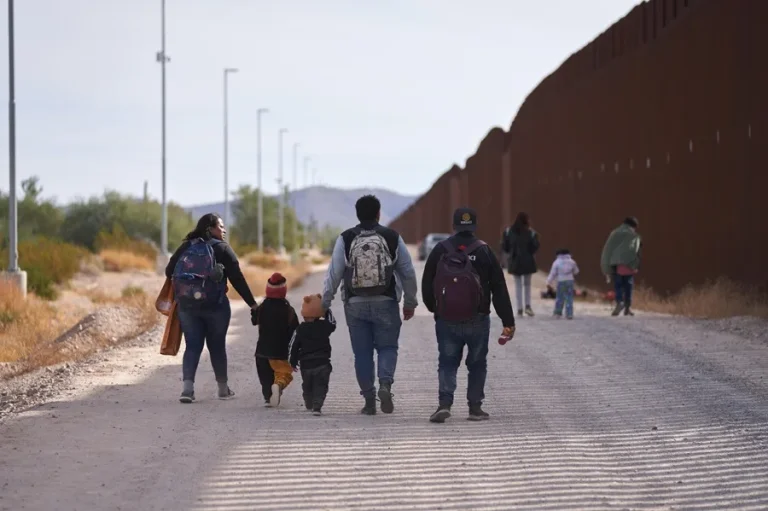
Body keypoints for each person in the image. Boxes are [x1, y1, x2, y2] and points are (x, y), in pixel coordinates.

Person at [322, 194, 418, 416]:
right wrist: (410, 302)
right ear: (378, 213)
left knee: (362, 353)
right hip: (386, 302)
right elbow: (408, 272)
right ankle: (385, 384)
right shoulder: (392, 237)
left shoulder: (345, 238)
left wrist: (325, 302)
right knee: (387, 347)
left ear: (357, 214)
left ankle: (369, 401)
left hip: (355, 305)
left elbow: (334, 274)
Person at [422, 207, 516, 423]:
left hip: (447, 318)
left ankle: (445, 403)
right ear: (474, 226)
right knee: (477, 363)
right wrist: (508, 321)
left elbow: (427, 283)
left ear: (454, 225)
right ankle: (475, 408)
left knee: (447, 361)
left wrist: (434, 308)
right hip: (478, 317)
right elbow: (499, 288)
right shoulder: (484, 251)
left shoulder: (440, 249)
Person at [166, 213, 257, 403]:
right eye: (220, 226)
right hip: (216, 306)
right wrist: (253, 304)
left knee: (192, 346)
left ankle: (187, 390)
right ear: (210, 228)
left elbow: (169, 271)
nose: (224, 230)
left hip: (187, 306)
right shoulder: (222, 249)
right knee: (216, 346)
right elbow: (237, 279)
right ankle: (223, 390)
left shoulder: (187, 246)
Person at [251, 273, 299, 408]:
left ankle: (268, 397)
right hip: (280, 352)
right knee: (283, 374)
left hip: (261, 352)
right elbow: (295, 331)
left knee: (265, 378)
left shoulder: (262, 308)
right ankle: (278, 386)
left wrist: (253, 312)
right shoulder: (288, 310)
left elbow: (254, 321)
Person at [289, 293, 337, 416]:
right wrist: (325, 309)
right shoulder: (324, 326)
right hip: (323, 363)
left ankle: (308, 400)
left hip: (306, 364)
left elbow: (293, 346)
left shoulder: (300, 329)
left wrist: (292, 362)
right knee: (321, 385)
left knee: (307, 385)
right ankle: (317, 406)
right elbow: (333, 322)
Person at [601, 217, 642, 317]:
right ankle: (627, 308)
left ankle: (620, 302)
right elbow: (636, 251)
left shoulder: (614, 233)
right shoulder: (634, 236)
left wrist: (606, 269)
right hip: (629, 267)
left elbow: (607, 251)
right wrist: (636, 265)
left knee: (618, 286)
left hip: (616, 266)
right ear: (633, 226)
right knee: (628, 287)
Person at [503, 212, 540, 317]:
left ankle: (519, 308)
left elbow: (505, 247)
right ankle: (528, 306)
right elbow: (535, 247)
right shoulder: (531, 232)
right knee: (527, 284)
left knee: (518, 285)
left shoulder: (509, 231)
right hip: (528, 261)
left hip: (515, 261)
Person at [546, 249, 580, 320]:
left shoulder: (556, 262)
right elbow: (576, 271)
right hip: (570, 281)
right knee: (569, 297)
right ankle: (569, 314)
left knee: (559, 297)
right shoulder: (572, 262)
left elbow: (553, 273)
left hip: (561, 281)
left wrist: (548, 282)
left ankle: (558, 312)